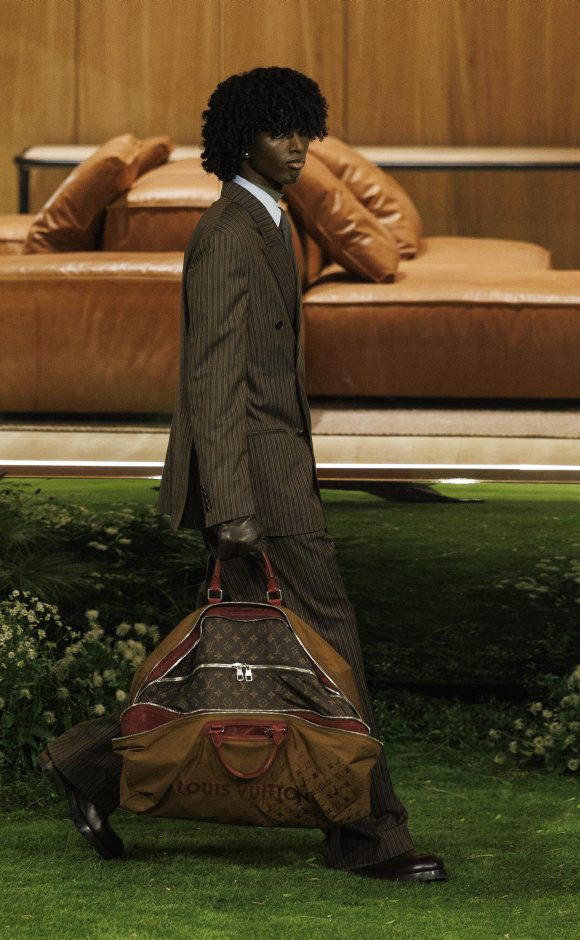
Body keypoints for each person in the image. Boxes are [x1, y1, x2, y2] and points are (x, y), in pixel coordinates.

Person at [41, 66, 447, 883]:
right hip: (257, 484)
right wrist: (232, 508)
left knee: (232, 652)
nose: (296, 145)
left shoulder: (268, 218)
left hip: (267, 472)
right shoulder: (231, 233)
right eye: (277, 131)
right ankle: (369, 835)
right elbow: (214, 380)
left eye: (303, 129)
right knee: (330, 641)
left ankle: (90, 767)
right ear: (240, 140)